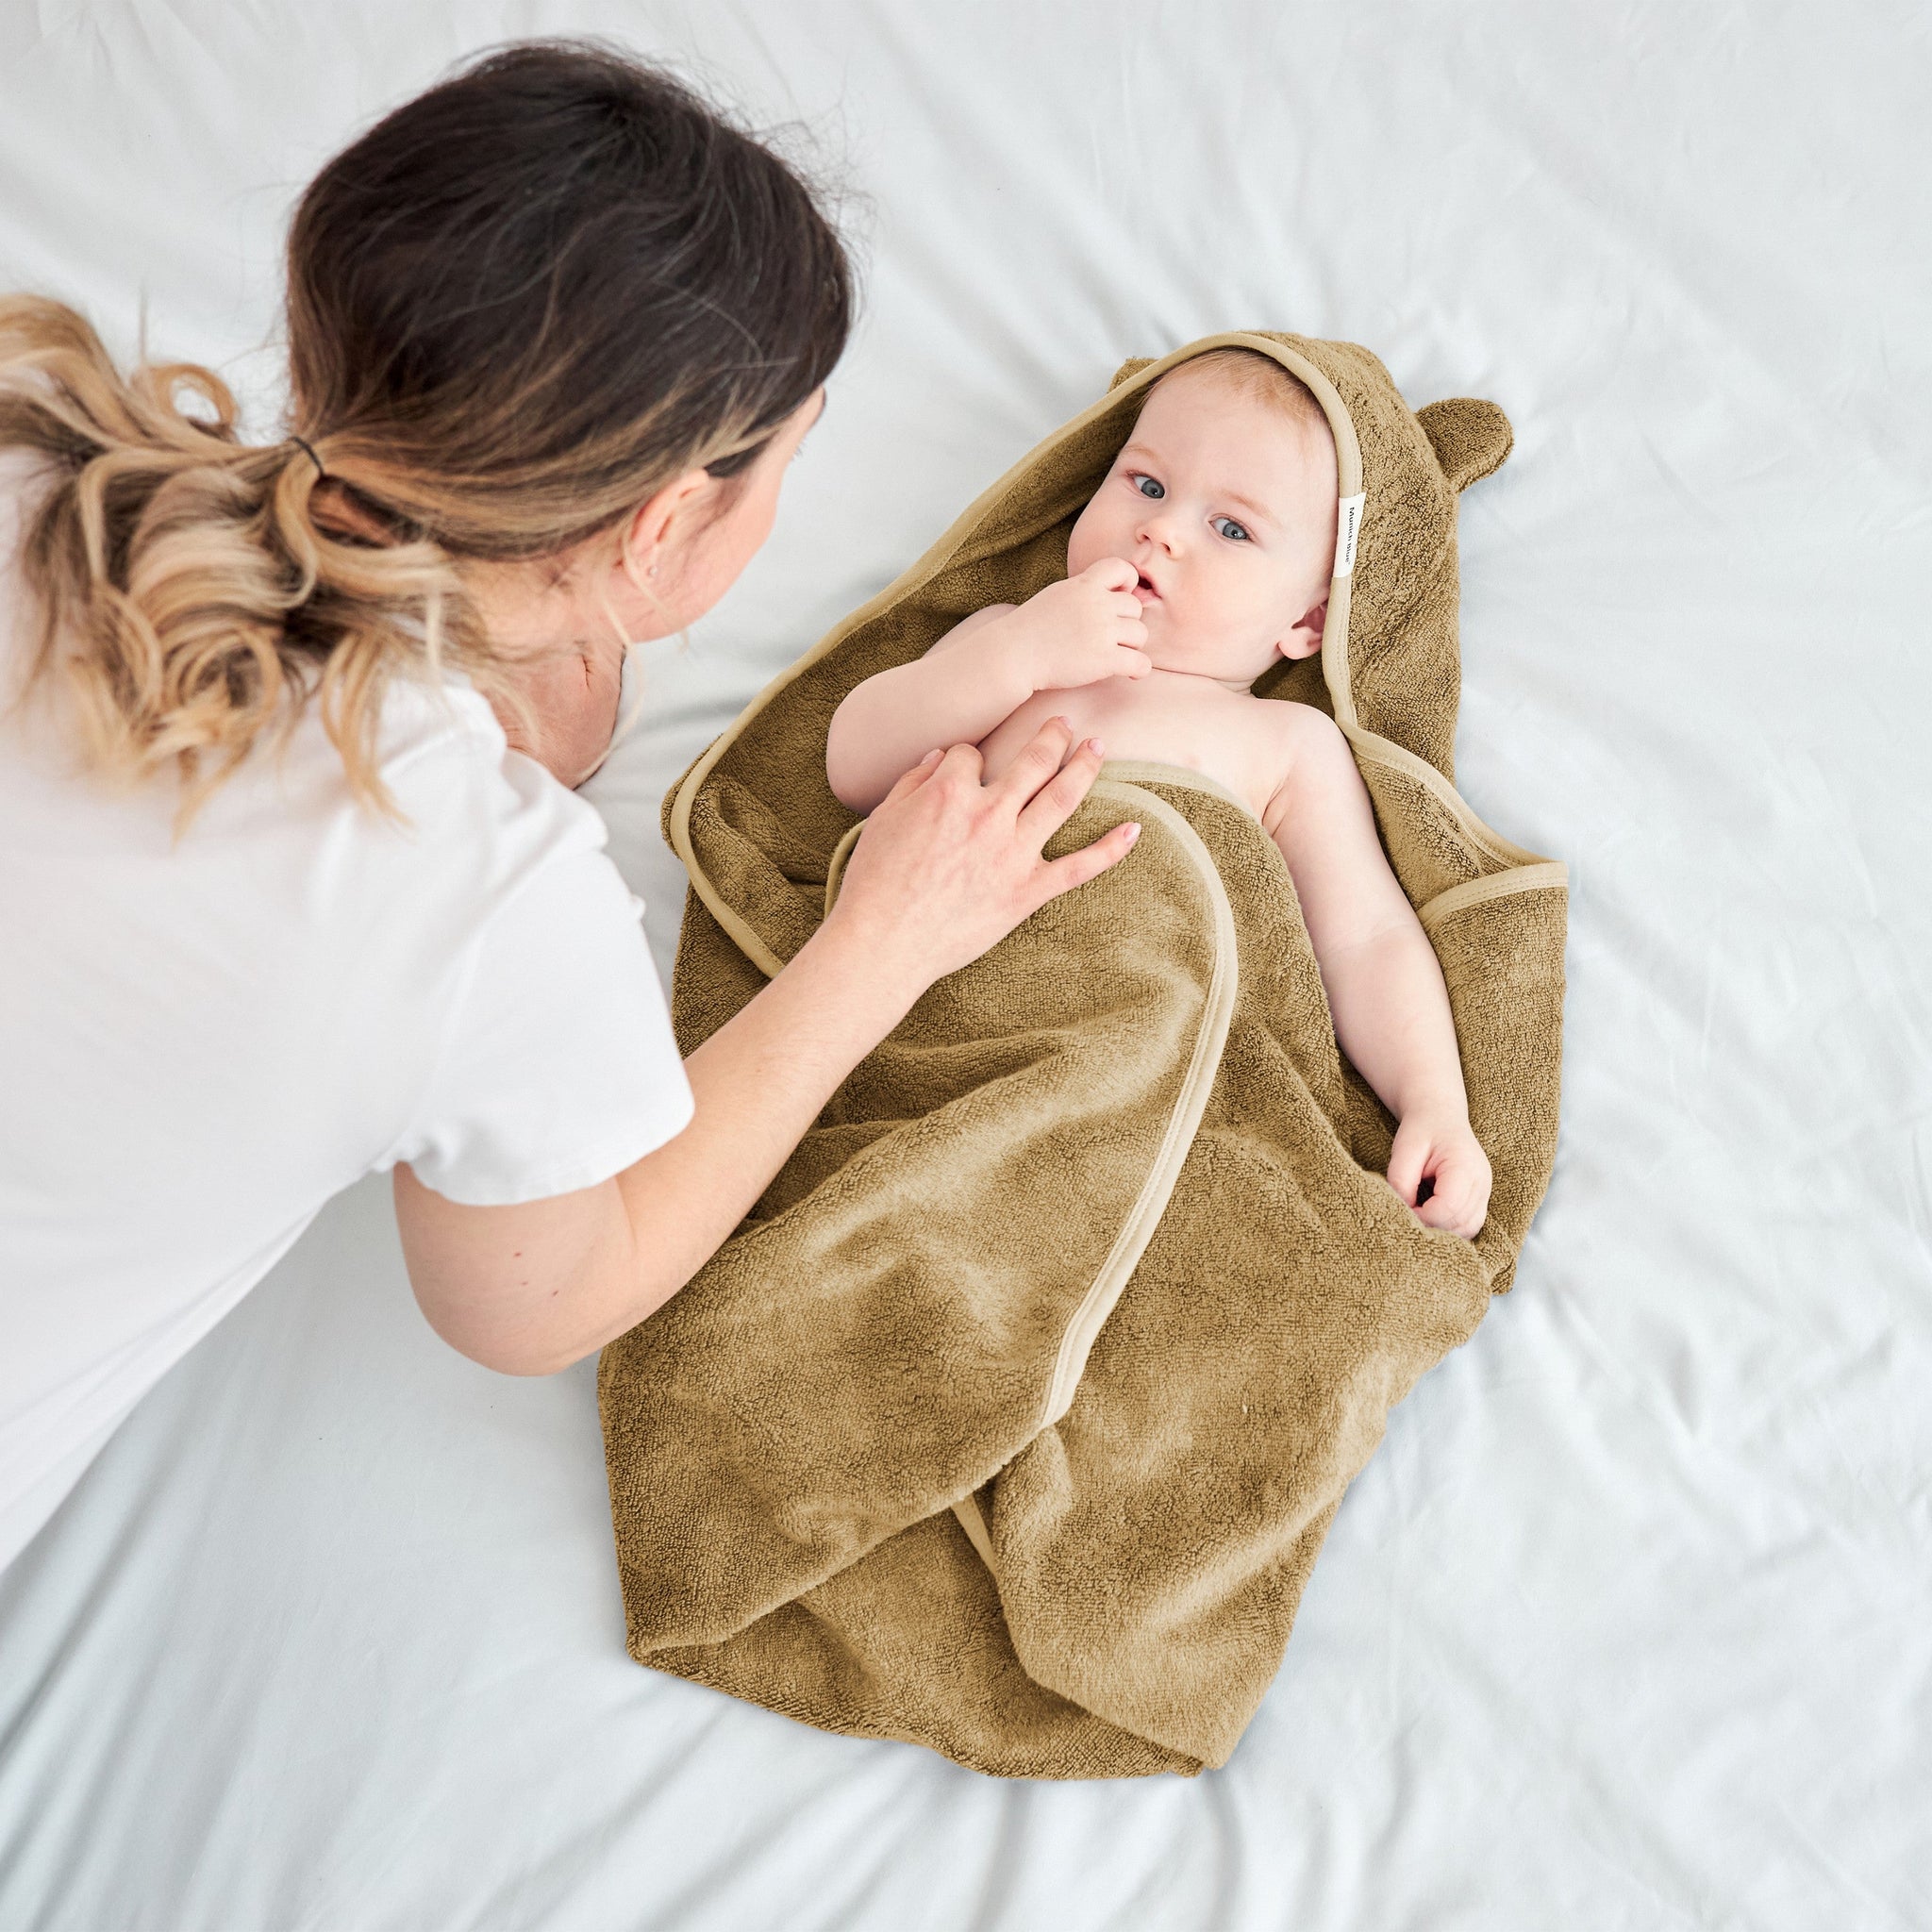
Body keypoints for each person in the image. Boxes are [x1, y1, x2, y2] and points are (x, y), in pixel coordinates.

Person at [0, 42, 1140, 1574]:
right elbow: (536, 1301)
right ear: (663, 529)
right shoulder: (477, 899)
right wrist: (884, 934)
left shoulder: (29, 446)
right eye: (780, 468)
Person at [825, 347, 1492, 1236]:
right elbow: (854, 768)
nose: (1162, 531)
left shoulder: (1286, 744)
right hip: (938, 1026)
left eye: (1231, 529)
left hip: (1144, 1064)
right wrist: (1015, 655)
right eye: (1145, 484)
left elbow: (1365, 938)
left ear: (1306, 622)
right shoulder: (1008, 650)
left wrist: (1433, 1103)